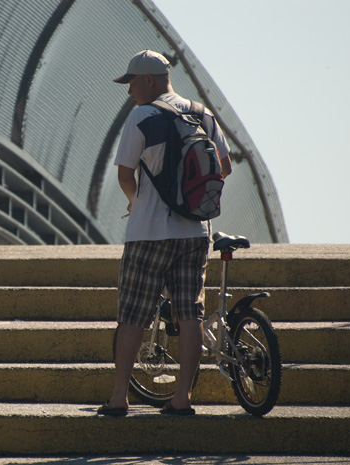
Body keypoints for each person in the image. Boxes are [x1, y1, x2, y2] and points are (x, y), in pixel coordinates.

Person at [98, 50, 232, 417]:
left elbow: (126, 175)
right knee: (190, 313)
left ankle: (119, 398)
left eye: (131, 84)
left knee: (133, 316)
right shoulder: (201, 113)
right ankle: (181, 399)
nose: (129, 93)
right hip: (195, 233)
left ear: (149, 81)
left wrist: (134, 202)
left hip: (149, 233)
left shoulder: (142, 116)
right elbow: (224, 167)